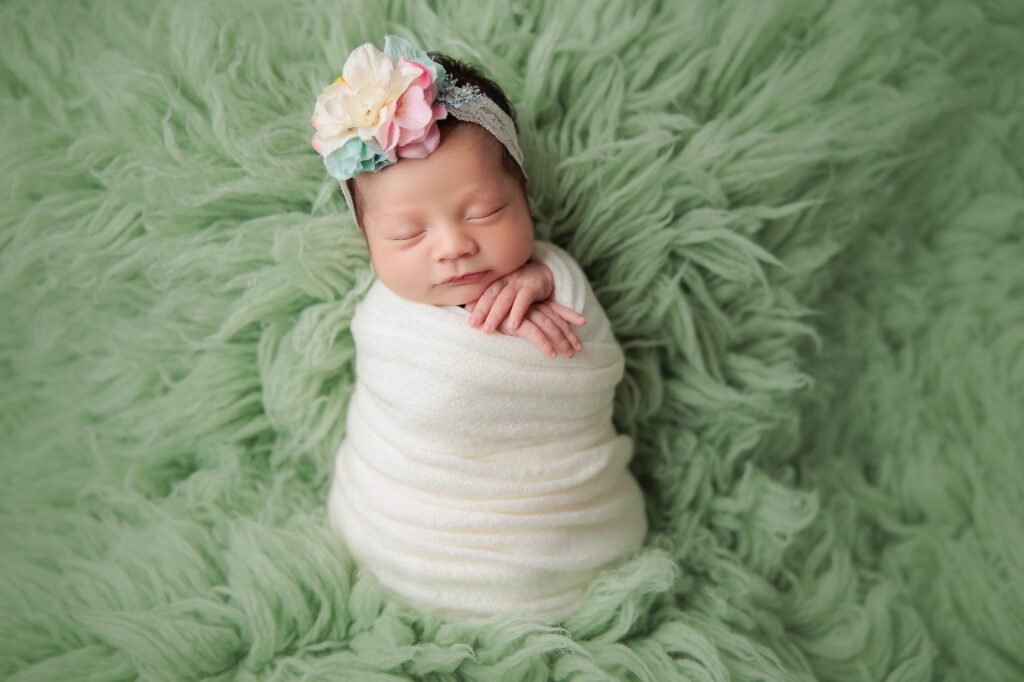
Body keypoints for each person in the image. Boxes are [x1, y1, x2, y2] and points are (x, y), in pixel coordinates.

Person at [311, 36, 647, 622]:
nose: (455, 247)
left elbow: (591, 366)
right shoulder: (388, 321)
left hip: (557, 547)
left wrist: (549, 281)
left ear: (525, 199)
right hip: (394, 531)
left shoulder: (554, 284)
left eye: (485, 212)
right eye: (407, 235)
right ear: (368, 245)